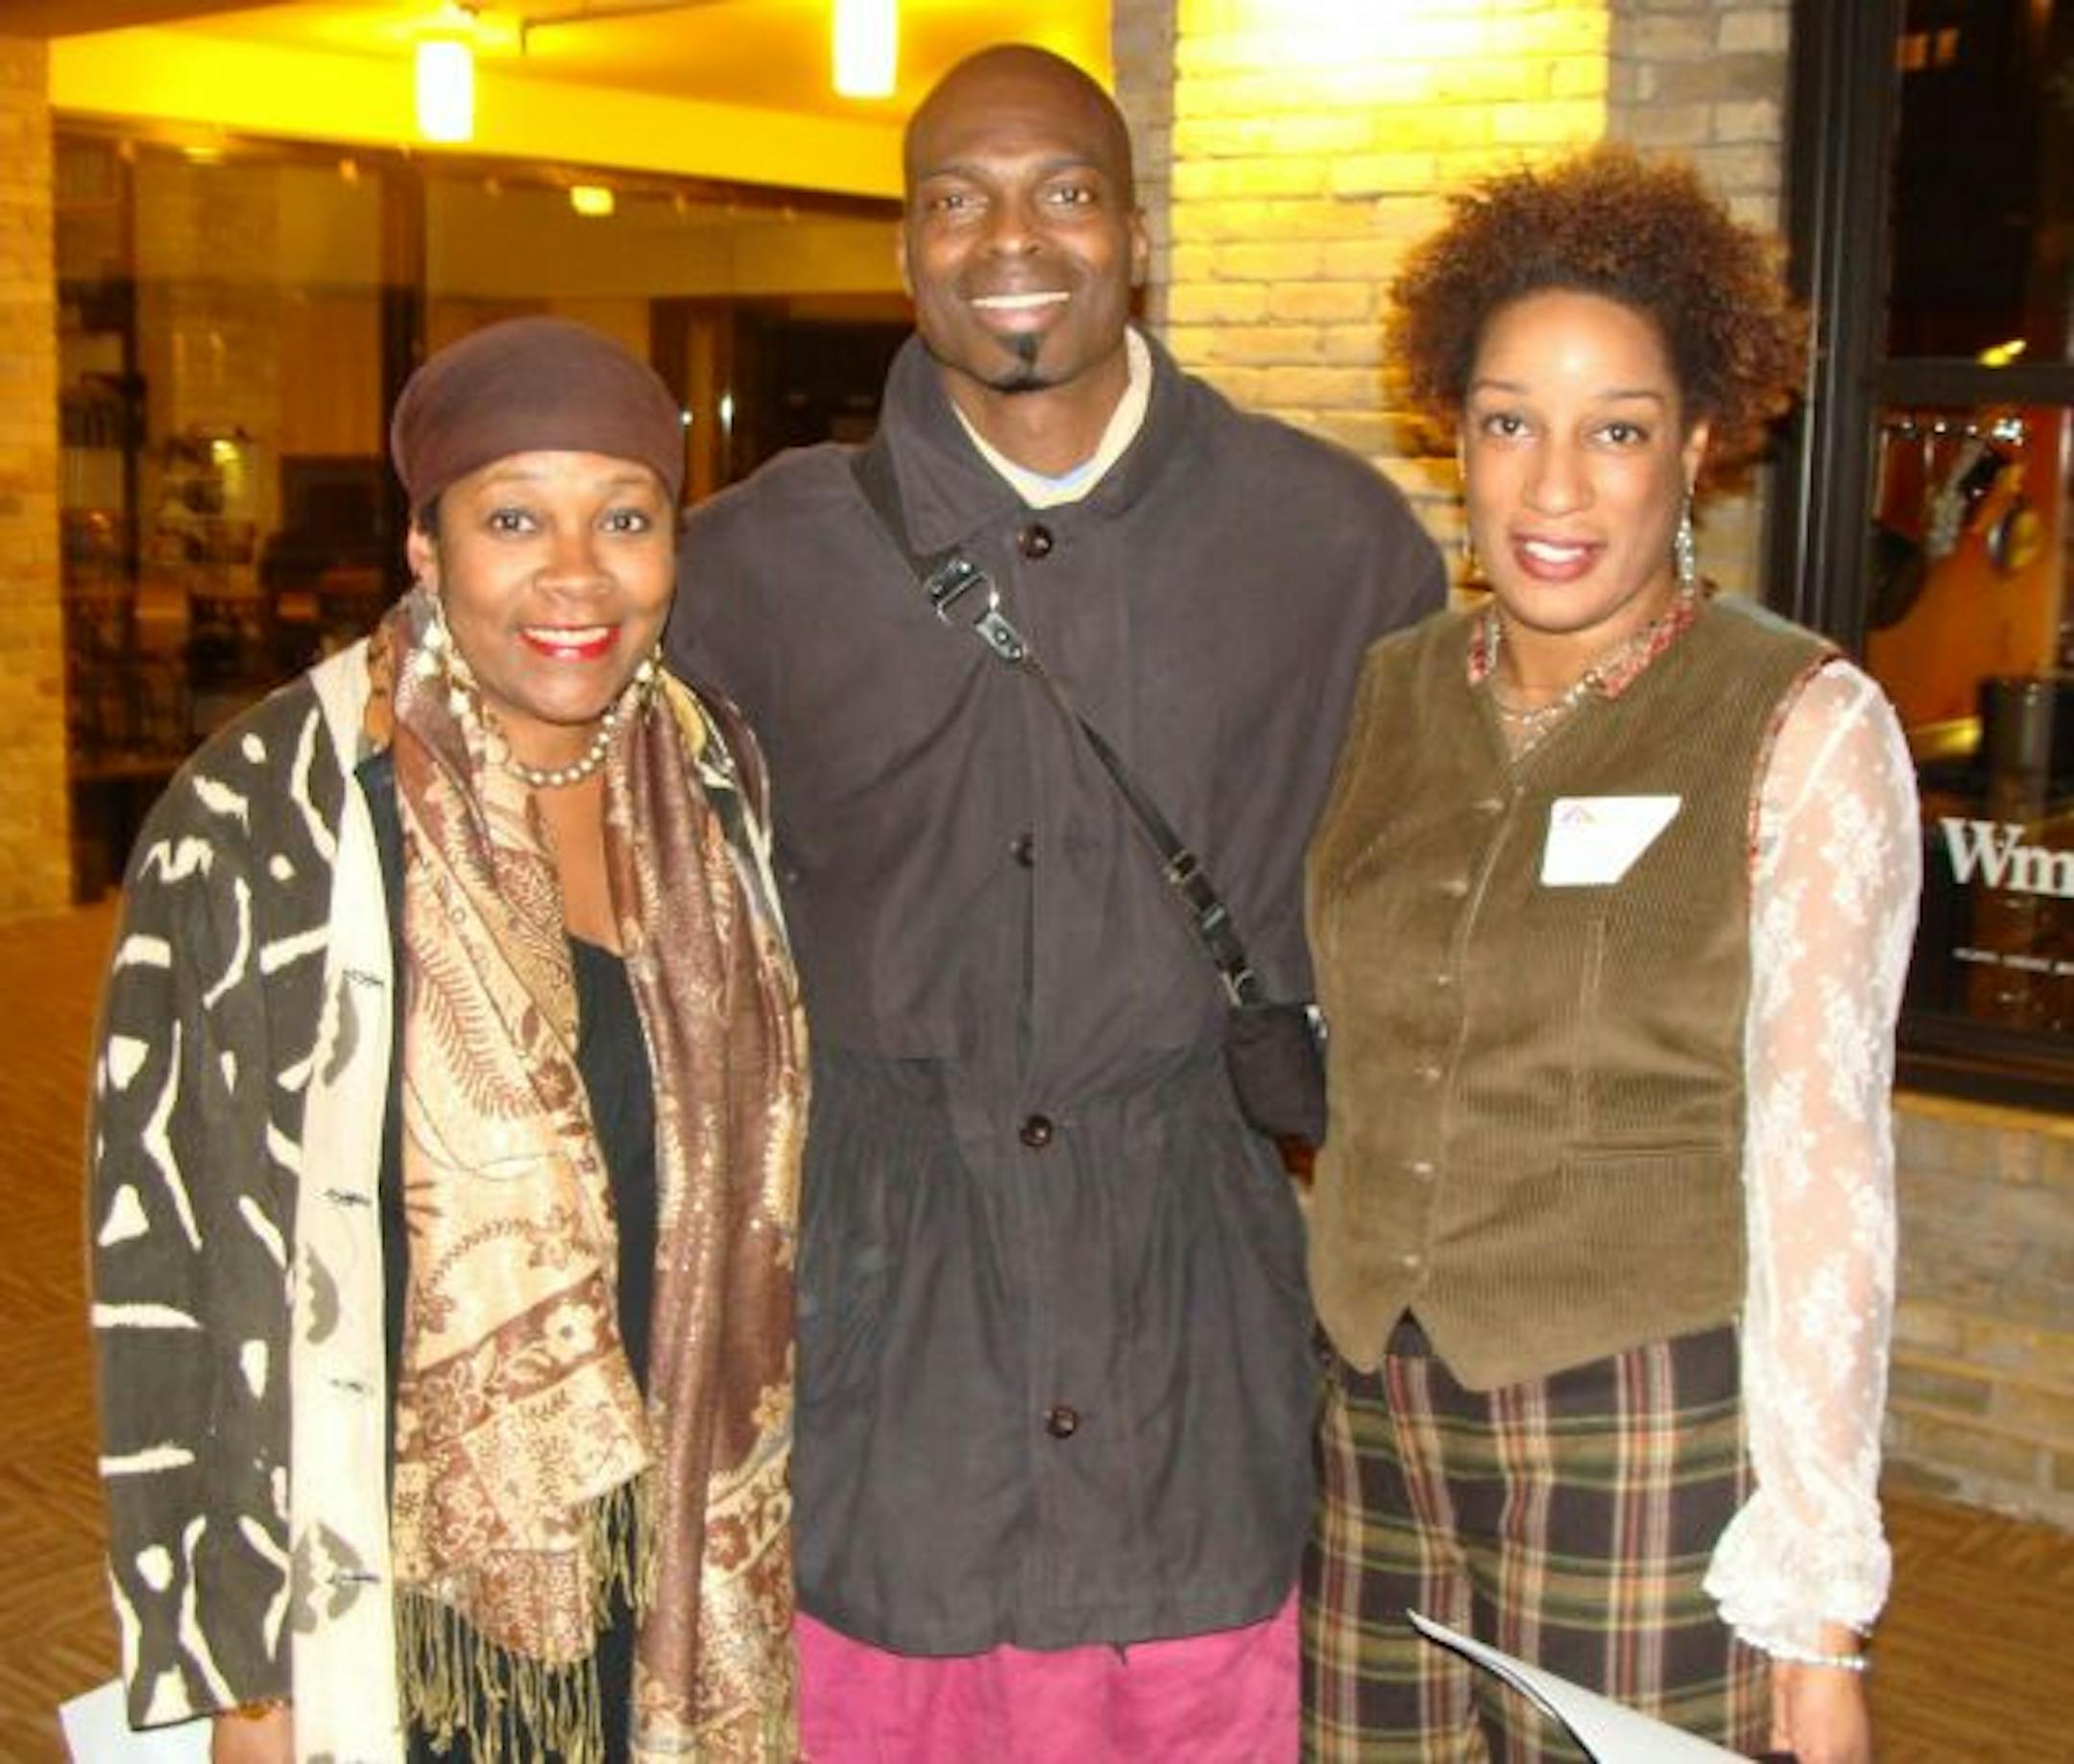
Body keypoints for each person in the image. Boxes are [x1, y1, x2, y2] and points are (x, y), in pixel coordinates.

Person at [666, 42, 1443, 1763]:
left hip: (1197, 1360)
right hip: (887, 1377)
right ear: (904, 252)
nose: (1010, 236)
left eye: (1064, 191)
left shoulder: (1332, 549)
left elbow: (1424, 940)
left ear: (1136, 234)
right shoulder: (748, 568)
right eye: (956, 198)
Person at [88, 317, 806, 1763]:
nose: (575, 574)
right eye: (512, 518)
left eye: (624, 517)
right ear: (427, 549)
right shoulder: (272, 818)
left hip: (676, 1558)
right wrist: (252, 1684)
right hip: (402, 1573)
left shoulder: (711, 776)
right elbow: (176, 1265)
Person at [1300, 148, 1917, 1764]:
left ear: (1700, 446)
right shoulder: (1395, 691)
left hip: (1636, 1431)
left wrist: (1817, 1622)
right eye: (1511, 420)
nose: (1554, 487)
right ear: (1456, 428)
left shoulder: (1800, 719)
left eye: (1616, 430)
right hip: (1377, 1428)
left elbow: (1825, 1172)